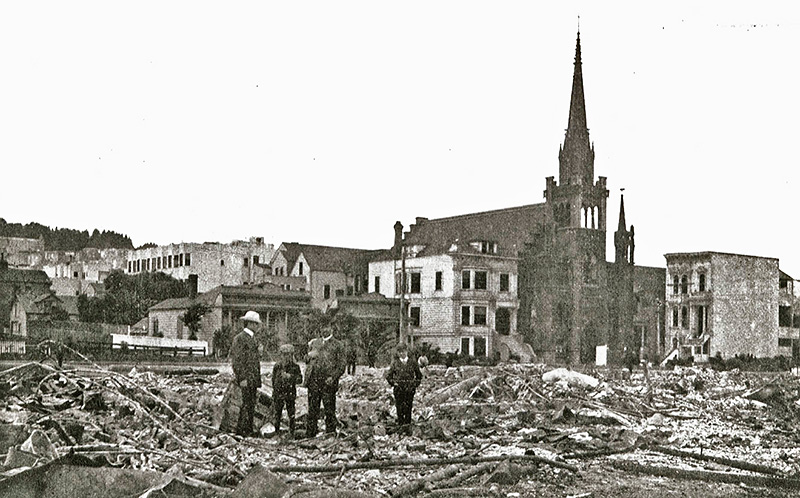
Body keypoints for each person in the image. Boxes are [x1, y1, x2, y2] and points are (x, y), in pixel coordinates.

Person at [305, 327, 346, 436]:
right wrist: (309, 356)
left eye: (327, 327)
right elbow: (306, 360)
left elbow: (342, 365)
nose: (324, 330)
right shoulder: (315, 343)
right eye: (322, 327)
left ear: (332, 329)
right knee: (312, 409)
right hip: (314, 381)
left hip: (328, 382)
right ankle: (311, 434)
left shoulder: (338, 345)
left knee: (329, 410)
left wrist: (333, 377)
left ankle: (330, 434)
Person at [230, 310, 262, 437]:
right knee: (244, 404)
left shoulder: (252, 339)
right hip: (246, 378)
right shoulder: (240, 339)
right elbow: (237, 360)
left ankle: (248, 429)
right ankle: (241, 430)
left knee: (251, 404)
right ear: (250, 324)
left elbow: (253, 360)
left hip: (252, 378)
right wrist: (242, 377)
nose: (257, 327)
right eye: (256, 324)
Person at [385, 342, 422, 435]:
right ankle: (401, 427)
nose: (402, 354)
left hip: (409, 389)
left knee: (408, 407)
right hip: (399, 390)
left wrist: (414, 385)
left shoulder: (412, 362)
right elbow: (389, 376)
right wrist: (394, 383)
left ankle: (407, 427)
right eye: (399, 352)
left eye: (403, 351)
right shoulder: (395, 363)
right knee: (399, 408)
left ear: (407, 351)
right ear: (397, 353)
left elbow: (419, 376)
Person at [272, 344, 303, 438]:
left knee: (291, 414)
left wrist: (290, 377)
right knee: (277, 414)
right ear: (281, 355)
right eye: (284, 354)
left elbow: (300, 379)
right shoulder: (277, 366)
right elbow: (273, 379)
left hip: (290, 393)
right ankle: (276, 432)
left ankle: (292, 432)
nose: (286, 357)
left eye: (289, 354)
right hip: (278, 393)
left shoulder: (295, 367)